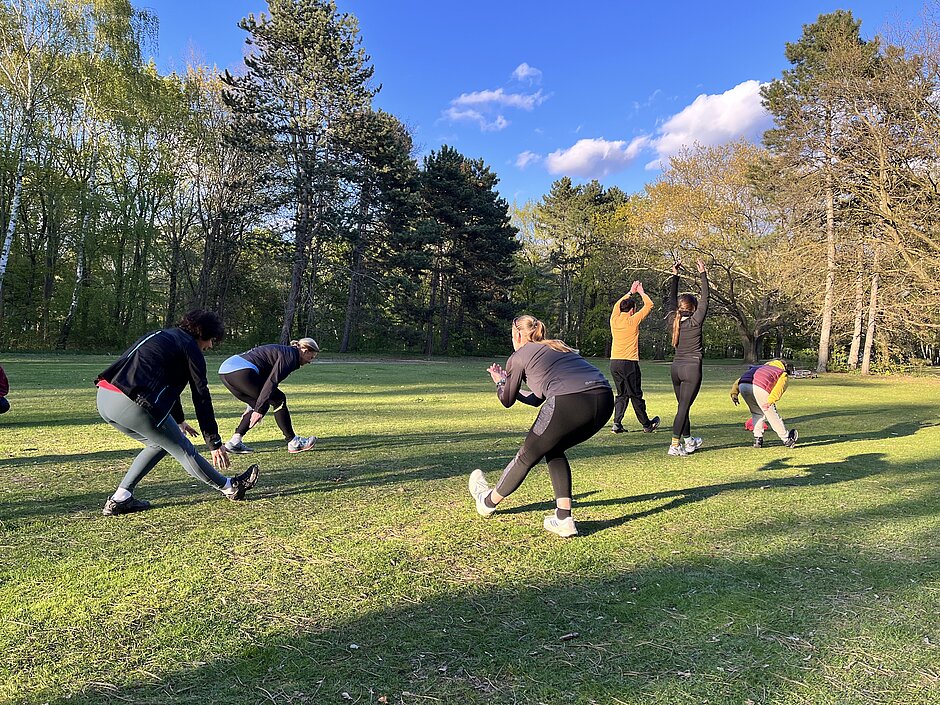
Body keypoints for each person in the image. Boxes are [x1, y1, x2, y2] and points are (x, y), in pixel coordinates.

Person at [95, 309, 260, 516]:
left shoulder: (161, 335)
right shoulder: (191, 349)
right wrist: (214, 442)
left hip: (105, 398)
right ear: (202, 333)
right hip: (132, 403)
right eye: (211, 340)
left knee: (158, 444)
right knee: (183, 449)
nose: (210, 346)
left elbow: (168, 385)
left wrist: (179, 420)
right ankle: (230, 487)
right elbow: (201, 396)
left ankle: (121, 498)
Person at [468, 315, 614, 538]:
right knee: (553, 448)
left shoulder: (518, 357)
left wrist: (500, 381)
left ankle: (486, 502)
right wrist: (508, 384)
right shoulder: (557, 346)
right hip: (603, 400)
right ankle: (564, 518)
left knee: (526, 456)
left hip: (569, 400)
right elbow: (536, 398)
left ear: (517, 334)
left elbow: (506, 400)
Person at [218, 338, 320, 454]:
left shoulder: (288, 352)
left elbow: (264, 382)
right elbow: (271, 382)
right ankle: (294, 442)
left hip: (225, 371)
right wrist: (258, 409)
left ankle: (234, 443)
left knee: (262, 403)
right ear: (305, 350)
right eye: (311, 357)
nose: (310, 361)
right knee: (278, 399)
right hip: (241, 371)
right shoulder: (290, 357)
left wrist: (255, 406)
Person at [666, 258, 709, 456]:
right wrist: (703, 274)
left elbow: (670, 298)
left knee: (683, 406)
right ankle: (675, 445)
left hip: (676, 368)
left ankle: (689, 441)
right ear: (693, 309)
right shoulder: (695, 322)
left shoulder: (672, 321)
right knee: (683, 407)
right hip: (692, 369)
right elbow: (706, 299)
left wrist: (675, 275)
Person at [609, 280, 660, 434]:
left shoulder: (614, 320)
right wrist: (641, 292)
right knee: (635, 394)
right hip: (629, 363)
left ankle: (617, 424)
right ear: (632, 310)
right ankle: (646, 424)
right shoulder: (633, 321)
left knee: (621, 394)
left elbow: (617, 305)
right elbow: (649, 305)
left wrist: (630, 292)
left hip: (614, 362)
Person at [731, 359, 799, 448]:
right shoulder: (781, 372)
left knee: (757, 413)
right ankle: (787, 439)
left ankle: (757, 439)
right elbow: (779, 388)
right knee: (771, 414)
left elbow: (739, 380)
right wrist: (771, 401)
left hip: (743, 386)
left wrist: (734, 393)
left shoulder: (758, 367)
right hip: (760, 387)